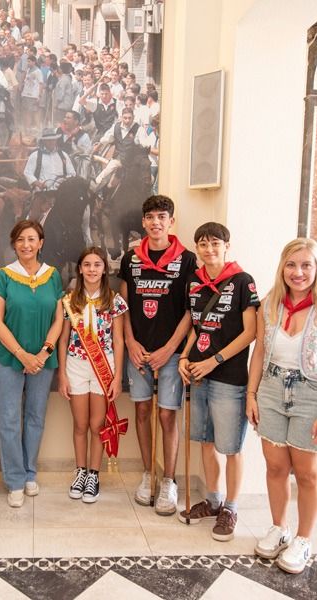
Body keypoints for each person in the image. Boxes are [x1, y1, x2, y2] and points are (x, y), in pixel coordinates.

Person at [246, 238, 317, 574]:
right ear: (282, 268)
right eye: (291, 265)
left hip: (312, 394)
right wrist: (252, 394)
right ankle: (280, 527)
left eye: (306, 265)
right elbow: (259, 353)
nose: (298, 272)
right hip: (272, 390)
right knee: (275, 467)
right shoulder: (269, 305)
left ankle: (303, 539)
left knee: (307, 473)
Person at [177, 222, 260, 541]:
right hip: (199, 375)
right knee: (206, 442)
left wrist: (215, 360)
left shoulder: (242, 281)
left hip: (229, 377)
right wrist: (185, 357)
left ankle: (231, 507)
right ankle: (212, 501)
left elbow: (249, 332)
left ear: (227, 245)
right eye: (202, 244)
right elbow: (198, 326)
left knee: (231, 447)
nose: (209, 249)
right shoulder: (195, 282)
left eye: (215, 243)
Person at [118, 195, 196, 514]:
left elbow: (191, 312)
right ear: (143, 222)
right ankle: (148, 474)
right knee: (141, 412)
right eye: (150, 217)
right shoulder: (131, 259)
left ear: (171, 221)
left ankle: (169, 481)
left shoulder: (187, 259)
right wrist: (131, 343)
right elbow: (122, 307)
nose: (156, 222)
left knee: (167, 414)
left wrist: (169, 350)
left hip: (171, 353)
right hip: (138, 352)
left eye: (162, 217)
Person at [0, 220, 64, 508]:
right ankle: (15, 480)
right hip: (9, 357)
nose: (26, 245)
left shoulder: (53, 276)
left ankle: (30, 472)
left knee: (35, 416)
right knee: (9, 418)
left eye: (32, 239)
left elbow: (59, 319)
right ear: (14, 243)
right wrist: (22, 354)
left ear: (41, 242)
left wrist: (44, 352)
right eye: (20, 239)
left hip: (43, 359)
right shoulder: (5, 276)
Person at [58, 247, 127, 503]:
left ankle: (94, 475)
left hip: (104, 366)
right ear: (80, 268)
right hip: (76, 365)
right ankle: (80, 471)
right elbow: (63, 339)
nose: (92, 269)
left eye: (97, 265)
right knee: (80, 424)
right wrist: (62, 376)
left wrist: (118, 376)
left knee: (98, 426)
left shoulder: (114, 300)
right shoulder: (69, 300)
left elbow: (118, 341)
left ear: (104, 269)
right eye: (87, 264)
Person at [91, 108, 140, 193]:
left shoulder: (139, 129)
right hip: (118, 159)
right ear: (121, 117)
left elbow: (144, 145)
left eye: (130, 118)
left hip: (132, 162)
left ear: (133, 117)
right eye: (125, 118)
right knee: (104, 174)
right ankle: (95, 193)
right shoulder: (116, 127)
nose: (127, 120)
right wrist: (96, 147)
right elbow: (106, 139)